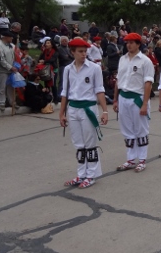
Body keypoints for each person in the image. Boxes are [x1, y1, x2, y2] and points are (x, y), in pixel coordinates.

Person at [59, 38, 108, 189]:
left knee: (90, 143)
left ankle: (91, 175)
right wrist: (62, 113)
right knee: (79, 144)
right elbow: (65, 92)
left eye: (85, 51)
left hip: (88, 107)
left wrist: (104, 110)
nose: (83, 54)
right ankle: (81, 174)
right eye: (80, 51)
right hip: (73, 108)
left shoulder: (94, 68)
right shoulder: (68, 70)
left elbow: (99, 90)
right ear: (72, 52)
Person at [113, 33, 154, 172]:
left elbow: (148, 83)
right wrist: (115, 99)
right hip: (123, 97)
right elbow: (118, 80)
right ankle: (130, 159)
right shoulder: (122, 59)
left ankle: (142, 160)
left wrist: (144, 104)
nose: (128, 45)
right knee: (127, 130)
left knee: (141, 130)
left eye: (131, 42)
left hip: (138, 98)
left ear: (138, 44)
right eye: (127, 42)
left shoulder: (145, 61)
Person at [0, 31, 17, 111]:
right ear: (5, 37)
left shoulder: (12, 45)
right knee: (2, 86)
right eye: (10, 37)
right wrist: (10, 67)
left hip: (12, 69)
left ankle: (12, 101)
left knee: (11, 86)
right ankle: (1, 102)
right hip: (2, 69)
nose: (12, 38)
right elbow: (1, 59)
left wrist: (15, 65)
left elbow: (16, 55)